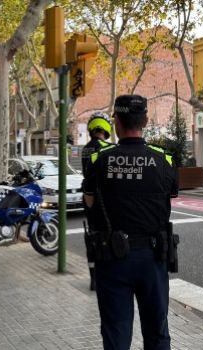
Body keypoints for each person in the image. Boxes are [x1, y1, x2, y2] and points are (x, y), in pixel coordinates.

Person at [83, 94, 178, 350]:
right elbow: (169, 198)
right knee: (157, 333)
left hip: (112, 259)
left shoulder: (99, 160)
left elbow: (89, 204)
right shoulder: (163, 160)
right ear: (145, 120)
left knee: (116, 334)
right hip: (153, 258)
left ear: (116, 121)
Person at [81, 112, 113, 291]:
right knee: (107, 236)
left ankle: (93, 277)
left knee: (91, 237)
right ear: (106, 128)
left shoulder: (85, 149)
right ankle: (106, 272)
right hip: (104, 200)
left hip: (88, 198)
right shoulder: (107, 148)